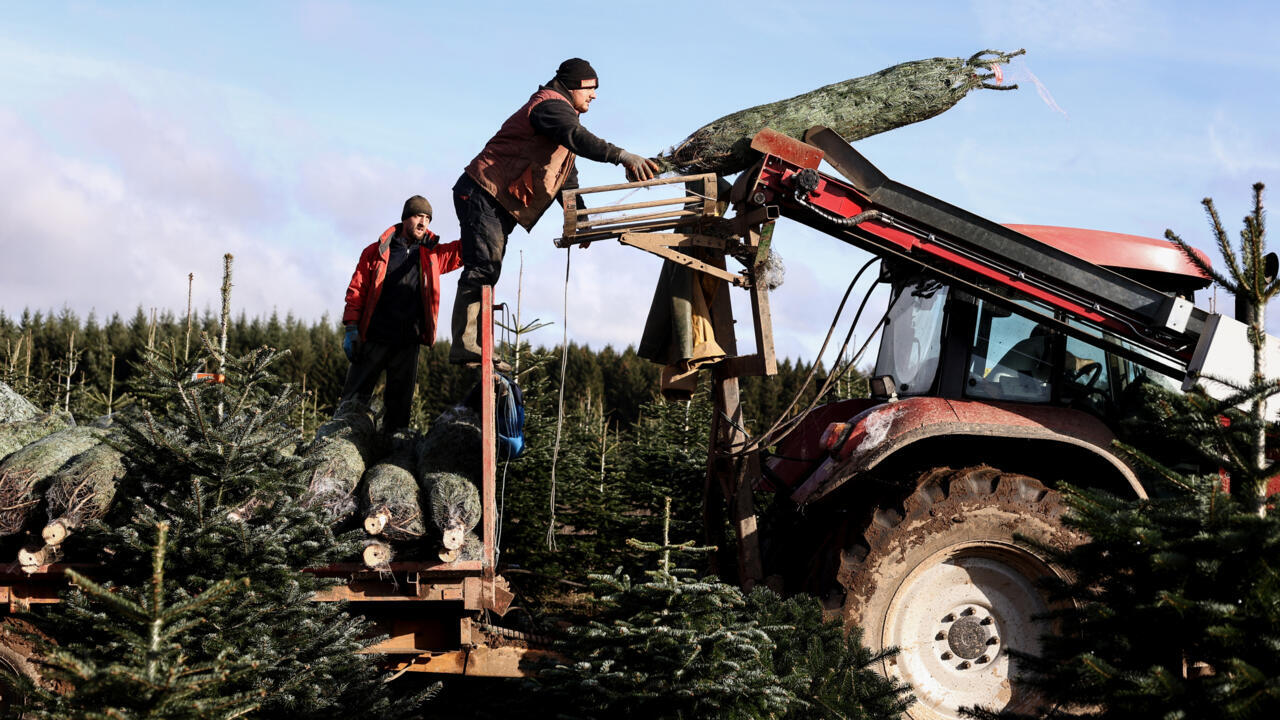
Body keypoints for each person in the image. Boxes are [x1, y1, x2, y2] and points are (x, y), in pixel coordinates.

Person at [449, 57, 661, 364]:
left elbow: (565, 177)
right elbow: (578, 138)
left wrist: (581, 219)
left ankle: (476, 346)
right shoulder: (549, 106)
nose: (594, 95)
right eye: (590, 87)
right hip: (482, 191)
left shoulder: (562, 117)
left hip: (495, 200)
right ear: (573, 86)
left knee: (488, 268)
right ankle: (467, 345)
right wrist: (623, 156)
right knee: (484, 266)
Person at [340, 195, 462, 430]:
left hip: (408, 343)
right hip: (373, 338)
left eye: (428, 218)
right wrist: (351, 327)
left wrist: (479, 225)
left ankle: (392, 459)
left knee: (398, 411)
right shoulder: (376, 252)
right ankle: (340, 444)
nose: (423, 223)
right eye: (418, 216)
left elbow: (462, 251)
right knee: (353, 401)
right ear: (405, 217)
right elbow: (357, 290)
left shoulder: (432, 255)